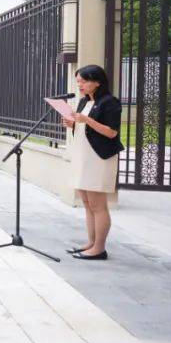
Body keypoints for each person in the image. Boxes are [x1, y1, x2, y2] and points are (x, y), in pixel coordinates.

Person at [64, 64, 123, 261]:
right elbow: (83, 128)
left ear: (97, 82)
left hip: (99, 158)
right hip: (83, 157)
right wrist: (72, 123)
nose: (79, 84)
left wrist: (86, 120)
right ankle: (91, 243)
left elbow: (111, 132)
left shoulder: (110, 102)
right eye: (78, 80)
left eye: (83, 80)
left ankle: (99, 248)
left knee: (98, 205)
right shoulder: (83, 102)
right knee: (88, 204)